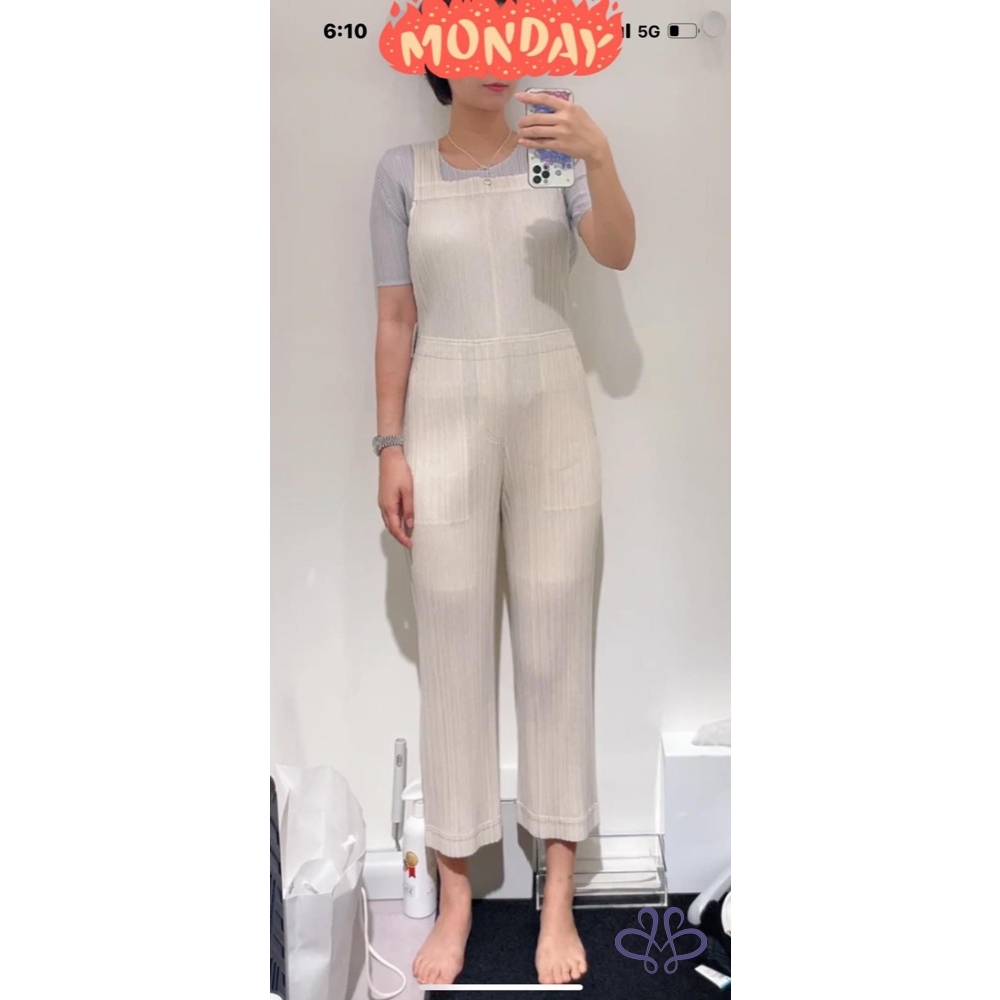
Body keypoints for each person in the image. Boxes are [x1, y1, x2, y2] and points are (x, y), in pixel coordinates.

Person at [369, 22, 635, 989]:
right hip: (440, 410)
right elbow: (395, 317)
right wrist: (389, 446)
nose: (493, 52)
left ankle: (556, 897)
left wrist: (599, 157)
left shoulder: (553, 153)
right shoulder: (401, 172)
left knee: (557, 640)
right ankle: (456, 896)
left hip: (550, 406)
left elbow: (616, 252)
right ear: (437, 53)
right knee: (451, 642)